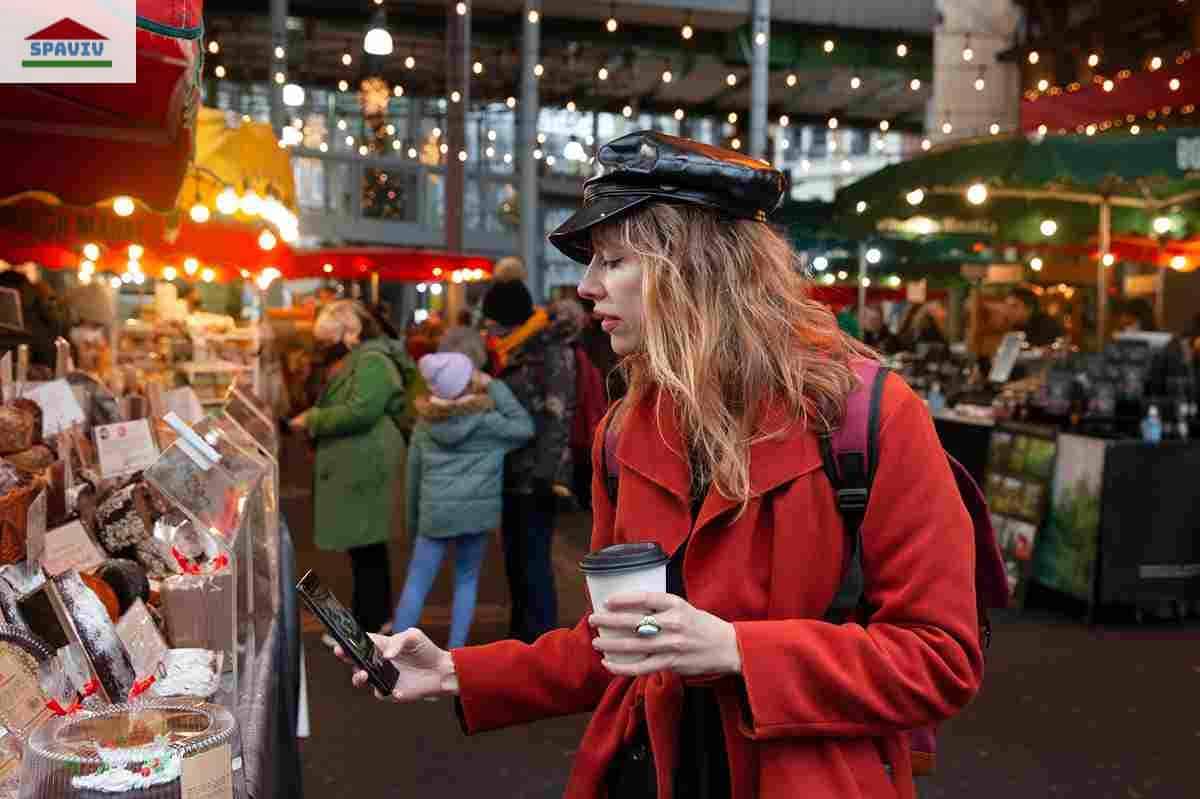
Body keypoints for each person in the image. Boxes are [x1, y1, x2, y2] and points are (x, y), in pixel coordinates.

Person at [337, 132, 983, 799]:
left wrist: (737, 649)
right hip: (646, 769)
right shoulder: (624, 433)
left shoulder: (870, 418)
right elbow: (615, 642)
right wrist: (453, 670)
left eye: (613, 260)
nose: (587, 286)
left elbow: (940, 657)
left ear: (698, 269)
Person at [392, 353, 534, 648]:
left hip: (435, 516)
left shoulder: (424, 426)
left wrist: (413, 522)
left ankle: (394, 653)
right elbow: (525, 427)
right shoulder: (489, 422)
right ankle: (455, 653)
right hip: (476, 516)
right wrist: (494, 385)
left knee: (417, 582)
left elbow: (413, 478)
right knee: (466, 581)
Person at [290, 300, 413, 637]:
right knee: (366, 551)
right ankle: (370, 621)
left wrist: (314, 419)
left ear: (350, 332)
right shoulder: (368, 358)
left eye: (330, 337)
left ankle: (368, 626)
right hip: (365, 463)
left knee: (367, 550)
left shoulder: (372, 361)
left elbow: (361, 411)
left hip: (369, 465)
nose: (327, 345)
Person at [479, 258, 577, 643]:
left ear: (509, 320)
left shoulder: (548, 350)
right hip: (511, 471)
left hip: (537, 476)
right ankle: (522, 638)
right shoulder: (511, 350)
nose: (487, 327)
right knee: (516, 561)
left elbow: (558, 416)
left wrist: (545, 473)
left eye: (492, 320)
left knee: (534, 560)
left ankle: (539, 643)